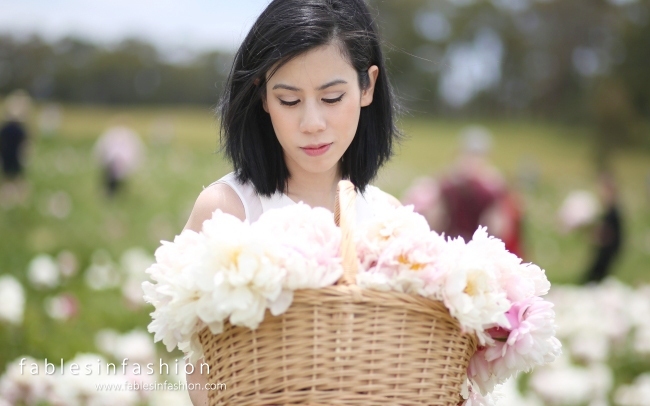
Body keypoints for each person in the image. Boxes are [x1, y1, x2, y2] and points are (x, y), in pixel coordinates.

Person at [180, 1, 400, 404]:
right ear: (262, 95)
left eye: (332, 98)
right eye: (289, 100)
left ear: (367, 87)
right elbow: (200, 369)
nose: (312, 123)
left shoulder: (391, 219)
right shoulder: (227, 211)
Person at [583, 172, 624, 284]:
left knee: (596, 272)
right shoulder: (610, 208)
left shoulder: (612, 210)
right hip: (608, 246)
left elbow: (609, 230)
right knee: (596, 272)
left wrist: (597, 236)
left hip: (609, 247)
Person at [93, 119, 145, 197]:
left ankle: (113, 195)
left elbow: (100, 149)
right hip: (115, 164)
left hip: (118, 164)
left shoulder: (112, 134)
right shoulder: (127, 134)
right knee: (114, 183)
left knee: (115, 183)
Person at [0, 90, 32, 207]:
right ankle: (20, 201)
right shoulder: (20, 129)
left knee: (8, 178)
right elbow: (26, 144)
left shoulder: (5, 127)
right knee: (17, 179)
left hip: (7, 154)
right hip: (15, 155)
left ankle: (8, 202)